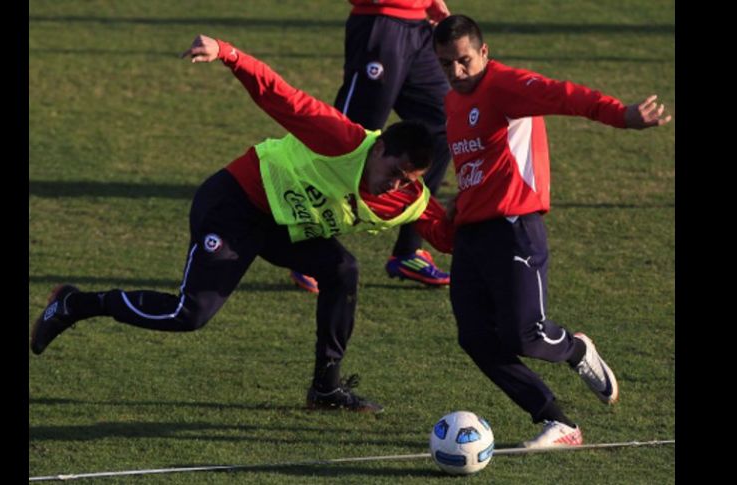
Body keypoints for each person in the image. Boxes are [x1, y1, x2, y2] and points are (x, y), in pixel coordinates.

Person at [30, 34, 454, 414]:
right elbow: (281, 96)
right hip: (234, 204)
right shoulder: (339, 139)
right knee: (188, 314)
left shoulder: (411, 201)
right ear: (379, 148)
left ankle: (326, 388)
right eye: (393, 172)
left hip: (281, 230)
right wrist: (228, 53)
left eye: (406, 180)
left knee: (342, 268)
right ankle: (74, 304)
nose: (393, 186)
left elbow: (452, 237)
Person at [431, 15, 671, 447]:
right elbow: (478, 162)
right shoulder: (452, 101)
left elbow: (566, 96)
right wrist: (458, 202)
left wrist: (623, 115)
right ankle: (556, 421)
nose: (456, 72)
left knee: (525, 334)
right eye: (446, 64)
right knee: (476, 338)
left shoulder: (506, 86)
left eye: (464, 61)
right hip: (472, 236)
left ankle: (577, 350)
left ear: (484, 53)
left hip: (514, 228)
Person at [289, 0, 453, 294]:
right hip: (381, 24)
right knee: (349, 139)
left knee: (446, 125)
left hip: (418, 26)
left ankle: (408, 252)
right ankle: (307, 249)